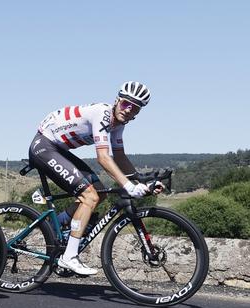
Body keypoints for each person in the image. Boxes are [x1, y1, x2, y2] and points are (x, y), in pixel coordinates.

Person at [29, 81, 163, 275]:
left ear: (137, 114)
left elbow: (119, 157)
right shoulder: (102, 113)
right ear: (117, 101)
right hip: (44, 146)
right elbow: (103, 157)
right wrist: (128, 186)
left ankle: (53, 226)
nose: (128, 110)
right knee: (89, 196)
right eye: (126, 104)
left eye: (134, 109)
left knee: (100, 193)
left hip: (58, 149)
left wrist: (140, 182)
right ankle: (69, 257)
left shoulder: (118, 126)